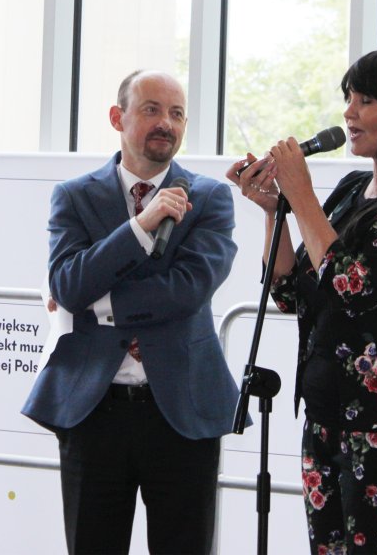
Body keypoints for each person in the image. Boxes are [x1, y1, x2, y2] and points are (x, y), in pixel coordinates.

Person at [226, 46, 377, 554]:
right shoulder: (353, 189)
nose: (349, 114)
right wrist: (276, 209)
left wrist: (302, 195)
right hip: (326, 414)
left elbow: (351, 284)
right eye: (348, 99)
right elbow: (290, 292)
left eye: (365, 101)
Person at [22, 69, 242, 555]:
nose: (167, 123)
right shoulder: (74, 196)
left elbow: (187, 290)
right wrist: (142, 226)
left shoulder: (209, 198)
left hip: (182, 410)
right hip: (93, 411)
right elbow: (68, 284)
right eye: (151, 110)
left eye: (177, 113)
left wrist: (98, 305)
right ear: (116, 117)